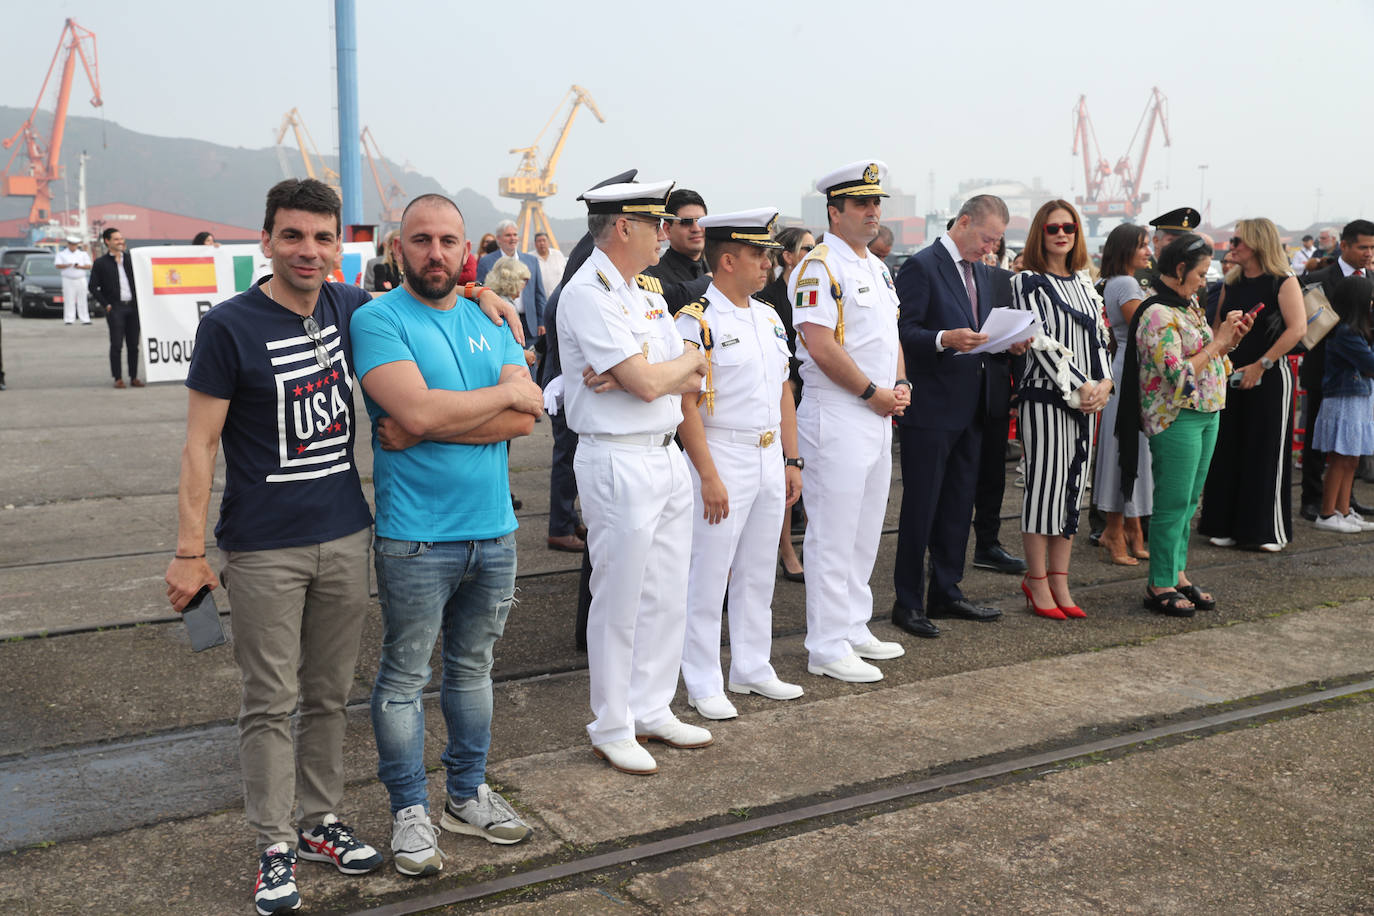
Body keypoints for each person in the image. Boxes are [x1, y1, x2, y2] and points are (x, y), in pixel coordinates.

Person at [163, 179, 385, 916]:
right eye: (293, 236)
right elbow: (200, 445)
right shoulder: (230, 326)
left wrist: (485, 299)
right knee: (269, 701)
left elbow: (421, 312)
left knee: (328, 696)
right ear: (266, 240)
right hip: (263, 550)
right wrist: (189, 552)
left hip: (346, 536)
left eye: (323, 238)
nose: (309, 251)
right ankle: (273, 846)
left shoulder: (349, 307)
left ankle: (321, 821)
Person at [350, 194, 541, 877]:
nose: (436, 252)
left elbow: (529, 418)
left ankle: (467, 794)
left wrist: (433, 421)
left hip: (494, 531)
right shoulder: (378, 320)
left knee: (473, 669)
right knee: (403, 678)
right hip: (416, 538)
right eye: (422, 239)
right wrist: (491, 399)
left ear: (469, 251)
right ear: (399, 248)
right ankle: (409, 809)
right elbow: (417, 410)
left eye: (448, 241)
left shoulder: (491, 316)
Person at [558, 178, 712, 775]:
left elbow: (692, 371)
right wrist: (653, 372)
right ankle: (612, 723)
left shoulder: (644, 290)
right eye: (656, 224)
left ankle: (652, 707)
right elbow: (653, 381)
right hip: (617, 457)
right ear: (623, 226)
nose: (666, 234)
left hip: (665, 451)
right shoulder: (587, 293)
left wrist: (655, 369)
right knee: (618, 598)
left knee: (668, 591)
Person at [675, 208, 805, 721]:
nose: (768, 266)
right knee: (708, 574)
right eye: (758, 256)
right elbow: (686, 403)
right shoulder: (696, 320)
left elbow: (783, 391)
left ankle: (752, 666)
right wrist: (707, 473)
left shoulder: (769, 316)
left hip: (769, 452)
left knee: (756, 570)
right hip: (722, 451)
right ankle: (702, 679)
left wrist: (791, 459)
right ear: (726, 260)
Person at [789, 159, 908, 682]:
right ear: (834, 212)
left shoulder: (876, 266)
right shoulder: (818, 266)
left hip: (877, 412)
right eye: (861, 204)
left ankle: (854, 625)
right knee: (832, 533)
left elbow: (890, 338)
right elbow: (818, 345)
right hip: (838, 411)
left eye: (876, 203)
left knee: (864, 530)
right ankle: (826, 644)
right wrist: (870, 391)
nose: (872, 212)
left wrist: (899, 387)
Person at [893, 194, 1021, 639]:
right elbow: (904, 333)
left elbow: (984, 328)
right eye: (986, 239)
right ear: (963, 222)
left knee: (957, 505)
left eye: (996, 242)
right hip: (931, 406)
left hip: (973, 405)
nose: (989, 249)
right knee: (921, 507)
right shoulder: (921, 266)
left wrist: (1008, 339)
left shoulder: (984, 274)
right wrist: (945, 337)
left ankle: (946, 590)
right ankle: (907, 602)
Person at [1120, 233, 1252, 615]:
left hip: (1206, 410)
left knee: (1190, 500)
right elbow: (1177, 375)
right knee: (1173, 501)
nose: (1205, 279)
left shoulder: (1188, 302)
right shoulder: (1157, 312)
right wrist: (1218, 343)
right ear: (1178, 270)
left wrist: (1228, 341)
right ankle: (1159, 582)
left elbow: (1206, 356)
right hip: (1177, 415)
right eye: (1199, 272)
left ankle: (1177, 573)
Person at [1011, 200, 1112, 620]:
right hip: (1045, 397)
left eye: (1068, 227)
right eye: (1053, 228)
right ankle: (1036, 581)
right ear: (1041, 233)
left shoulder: (1086, 281)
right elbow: (1039, 341)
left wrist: (1105, 383)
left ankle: (1061, 578)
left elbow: (1101, 340)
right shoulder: (1027, 281)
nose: (1061, 234)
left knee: (1072, 489)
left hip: (1088, 399)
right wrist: (1082, 386)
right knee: (1044, 488)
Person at [1199, 217, 1306, 552]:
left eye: (1237, 242)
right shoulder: (1231, 281)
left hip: (1270, 375)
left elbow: (1297, 329)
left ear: (1258, 243)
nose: (1232, 247)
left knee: (1265, 451)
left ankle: (1264, 530)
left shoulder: (1282, 280)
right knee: (1227, 448)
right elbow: (1217, 326)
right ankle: (1224, 524)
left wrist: (1262, 365)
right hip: (1230, 374)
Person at [1298, 219, 1374, 521]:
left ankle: (1346, 503)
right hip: (1323, 372)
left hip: (1360, 380)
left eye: (1372, 247)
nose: (1369, 253)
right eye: (1362, 247)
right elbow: (1305, 329)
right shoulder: (1316, 279)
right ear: (1344, 246)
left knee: (1350, 446)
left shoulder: (1371, 279)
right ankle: (1314, 500)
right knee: (1319, 442)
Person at [1093, 224, 1154, 565]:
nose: (1149, 251)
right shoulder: (1126, 284)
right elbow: (1146, 328)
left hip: (1127, 369)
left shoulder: (1116, 282)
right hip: (1129, 372)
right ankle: (1115, 532)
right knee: (1125, 451)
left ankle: (1132, 528)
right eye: (1142, 246)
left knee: (1131, 451)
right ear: (1126, 249)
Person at [757, 225, 813, 583]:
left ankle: (813, 546)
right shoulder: (770, 297)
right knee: (783, 476)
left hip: (817, 391)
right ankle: (786, 551)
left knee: (810, 476)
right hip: (786, 392)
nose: (814, 254)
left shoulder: (817, 289)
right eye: (806, 249)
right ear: (787, 257)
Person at [1311, 275, 1374, 532]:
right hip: (1344, 400)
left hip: (1355, 399)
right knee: (1340, 458)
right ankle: (1326, 514)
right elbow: (1370, 365)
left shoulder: (1353, 330)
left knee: (1351, 459)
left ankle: (1343, 510)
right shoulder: (1346, 332)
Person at [87, 227, 143, 388]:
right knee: (117, 344)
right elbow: (93, 287)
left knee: (133, 345)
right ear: (107, 241)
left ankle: (134, 377)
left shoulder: (131, 260)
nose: (120, 241)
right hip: (116, 308)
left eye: (121, 238)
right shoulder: (101, 263)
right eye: (116, 239)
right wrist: (107, 305)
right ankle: (118, 377)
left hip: (133, 308)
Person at [476, 220, 547, 341]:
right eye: (508, 235)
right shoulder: (486, 262)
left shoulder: (532, 261)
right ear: (498, 239)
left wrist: (542, 321)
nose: (512, 238)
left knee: (531, 358)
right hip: (501, 323)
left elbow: (539, 294)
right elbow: (479, 292)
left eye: (515, 235)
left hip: (530, 323)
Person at [644, 188, 708, 287]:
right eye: (686, 222)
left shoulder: (720, 270)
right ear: (667, 229)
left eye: (701, 221)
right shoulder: (653, 277)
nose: (696, 229)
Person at [55, 236, 92, 325]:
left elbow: (89, 266)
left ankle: (85, 319)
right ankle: (69, 319)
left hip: (80, 278)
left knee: (82, 299)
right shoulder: (62, 254)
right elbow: (57, 265)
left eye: (75, 245)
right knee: (69, 299)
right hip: (68, 279)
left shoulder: (83, 254)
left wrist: (79, 266)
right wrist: (67, 265)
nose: (73, 246)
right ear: (68, 244)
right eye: (71, 244)